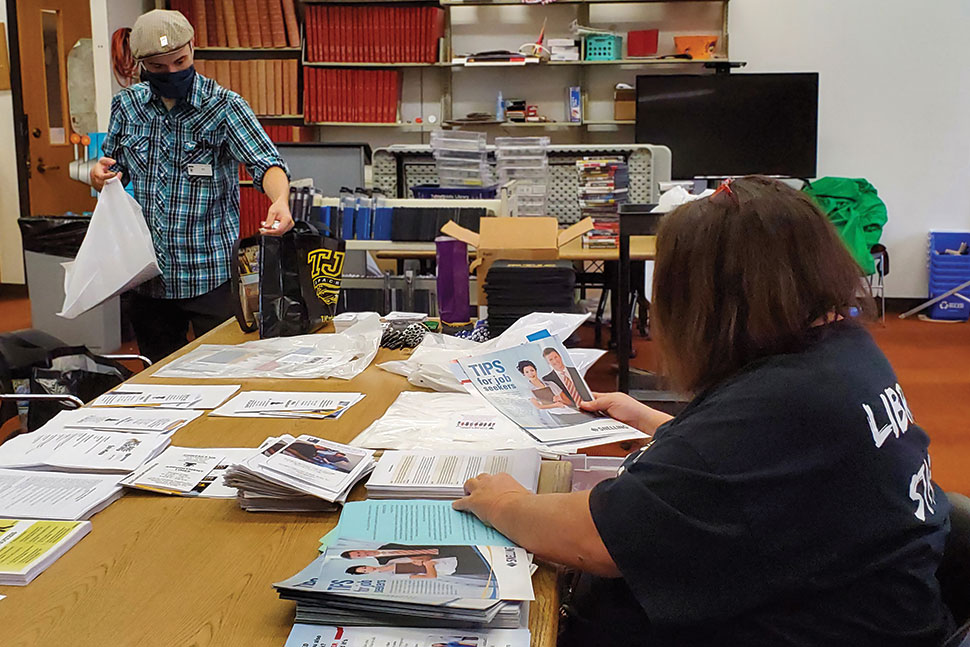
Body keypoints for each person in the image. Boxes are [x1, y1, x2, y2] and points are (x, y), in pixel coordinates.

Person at [453, 176, 953, 647]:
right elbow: (771, 473)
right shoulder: (842, 352)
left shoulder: (781, 402)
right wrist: (659, 423)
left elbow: (595, 541)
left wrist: (502, 502)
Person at [90, 10, 294, 362]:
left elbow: (267, 164)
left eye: (179, 61)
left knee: (225, 375)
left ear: (193, 47)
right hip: (148, 279)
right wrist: (99, 175)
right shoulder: (127, 107)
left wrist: (281, 199)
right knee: (160, 382)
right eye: (158, 67)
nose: (172, 72)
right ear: (141, 64)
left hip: (211, 278)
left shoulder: (225, 107)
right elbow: (113, 170)